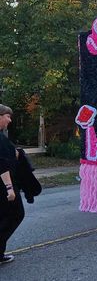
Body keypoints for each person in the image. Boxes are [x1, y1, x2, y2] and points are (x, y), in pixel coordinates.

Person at [0, 104, 24, 265]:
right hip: (4, 184)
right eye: (7, 116)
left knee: (3, 217)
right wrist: (9, 188)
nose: (9, 120)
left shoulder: (2, 136)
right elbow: (2, 164)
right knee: (15, 214)